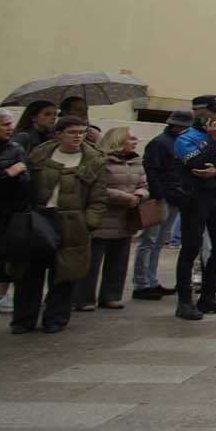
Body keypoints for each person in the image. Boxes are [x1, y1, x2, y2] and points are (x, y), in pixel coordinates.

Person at [11, 117, 106, 334]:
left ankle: (56, 318)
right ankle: (23, 319)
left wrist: (89, 223)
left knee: (65, 273)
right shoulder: (40, 154)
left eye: (82, 132)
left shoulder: (94, 159)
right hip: (39, 218)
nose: (78, 136)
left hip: (73, 223)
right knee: (29, 273)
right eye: (72, 132)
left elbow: (98, 197)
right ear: (59, 133)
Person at [170, 96, 216, 320]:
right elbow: (197, 164)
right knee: (191, 248)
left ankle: (209, 296)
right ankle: (184, 301)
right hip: (195, 197)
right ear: (202, 113)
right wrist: (213, 143)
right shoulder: (186, 138)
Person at [75, 127, 148, 310]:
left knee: (119, 260)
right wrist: (125, 197)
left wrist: (139, 195)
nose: (135, 141)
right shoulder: (100, 161)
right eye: (131, 138)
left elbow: (145, 184)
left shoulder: (136, 162)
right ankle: (84, 298)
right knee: (92, 262)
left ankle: (111, 296)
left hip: (125, 218)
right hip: (102, 217)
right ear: (118, 140)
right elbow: (95, 187)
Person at [131, 110, 191, 300]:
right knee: (149, 241)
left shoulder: (177, 142)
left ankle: (151, 280)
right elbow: (151, 169)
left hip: (173, 195)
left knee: (157, 242)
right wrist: (157, 194)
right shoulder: (160, 143)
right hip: (161, 196)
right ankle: (142, 283)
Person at [0, 107, 31, 313]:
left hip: (6, 214)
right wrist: (7, 174)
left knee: (5, 258)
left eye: (10, 124)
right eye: (4, 124)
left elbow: (24, 180)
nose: (10, 128)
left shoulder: (14, 149)